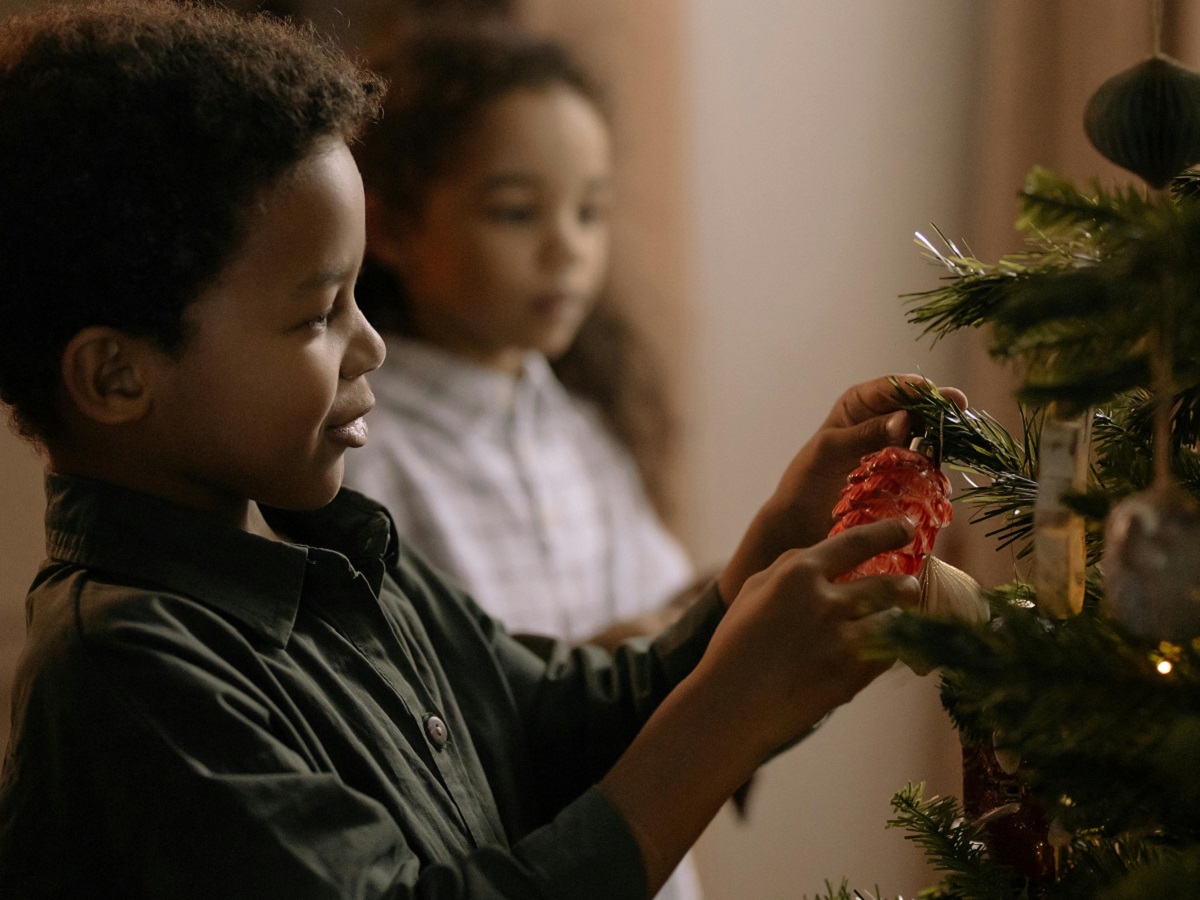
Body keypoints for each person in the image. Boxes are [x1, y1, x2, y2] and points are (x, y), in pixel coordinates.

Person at [0, 2, 963, 898]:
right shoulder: (126, 673)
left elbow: (565, 727)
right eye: (316, 315)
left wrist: (777, 545)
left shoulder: (338, 558)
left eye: (357, 299)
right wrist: (725, 721)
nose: (371, 345)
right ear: (117, 377)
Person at [344, 22, 700, 653]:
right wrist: (606, 664)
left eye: (589, 212)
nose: (568, 249)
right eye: (516, 211)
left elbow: (661, 603)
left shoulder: (580, 431)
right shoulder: (364, 453)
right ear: (393, 227)